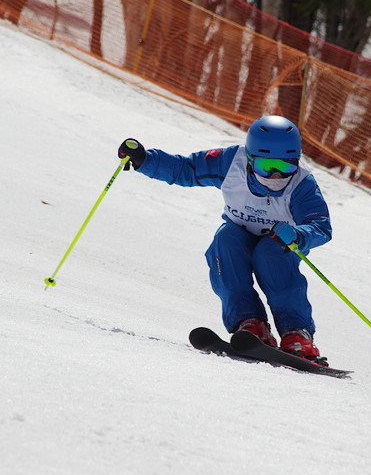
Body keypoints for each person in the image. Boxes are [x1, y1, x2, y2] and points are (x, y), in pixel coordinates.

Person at [118, 115, 332, 364]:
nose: (275, 176)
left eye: (285, 167)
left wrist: (298, 235)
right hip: (238, 233)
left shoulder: (302, 184)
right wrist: (145, 160)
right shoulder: (231, 162)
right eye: (266, 167)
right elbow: (186, 169)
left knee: (271, 256)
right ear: (250, 158)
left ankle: (297, 333)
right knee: (225, 241)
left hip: (280, 242)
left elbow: (321, 226)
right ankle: (250, 323)